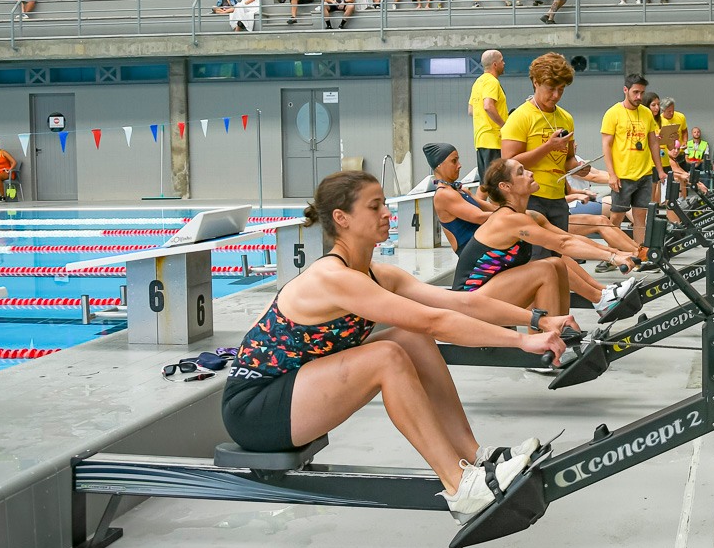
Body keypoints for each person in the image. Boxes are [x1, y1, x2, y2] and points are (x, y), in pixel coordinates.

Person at [221, 170, 571, 522]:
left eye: (385, 204)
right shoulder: (333, 278)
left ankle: (474, 456)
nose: (387, 213)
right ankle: (460, 485)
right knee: (386, 356)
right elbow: (434, 321)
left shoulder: (376, 274)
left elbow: (461, 303)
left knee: (409, 338)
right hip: (256, 411)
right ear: (341, 219)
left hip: (298, 390)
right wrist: (521, 341)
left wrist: (538, 320)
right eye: (374, 207)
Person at [453, 158, 637, 306]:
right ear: (506, 187)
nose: (530, 173)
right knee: (544, 269)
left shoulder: (530, 215)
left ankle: (566, 327)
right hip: (469, 299)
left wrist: (620, 253)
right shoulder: (509, 220)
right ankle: (595, 303)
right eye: (521, 172)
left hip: (492, 289)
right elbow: (562, 244)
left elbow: (567, 238)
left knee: (556, 262)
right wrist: (613, 259)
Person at [499, 52, 577, 259]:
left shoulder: (566, 118)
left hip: (558, 198)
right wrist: (548, 147)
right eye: (551, 89)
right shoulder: (520, 117)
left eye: (561, 90)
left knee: (559, 258)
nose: (556, 96)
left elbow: (568, 159)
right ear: (535, 82)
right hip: (531, 198)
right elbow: (508, 162)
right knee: (538, 260)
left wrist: (579, 167)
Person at [601, 73, 666, 247]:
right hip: (623, 176)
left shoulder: (646, 113)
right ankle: (611, 255)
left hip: (644, 175)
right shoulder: (613, 113)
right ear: (625, 90)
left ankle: (641, 254)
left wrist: (660, 170)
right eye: (635, 92)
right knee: (616, 217)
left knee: (640, 218)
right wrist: (612, 175)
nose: (639, 97)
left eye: (642, 93)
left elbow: (653, 143)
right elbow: (606, 146)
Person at [423, 143, 490, 253]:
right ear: (439, 165)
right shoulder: (443, 195)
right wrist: (513, 215)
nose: (459, 165)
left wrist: (519, 212)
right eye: (454, 161)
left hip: (484, 245)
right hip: (475, 255)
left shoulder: (460, 190)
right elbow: (479, 217)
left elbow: (490, 207)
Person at [468, 49, 508, 180]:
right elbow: (488, 106)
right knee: (497, 183)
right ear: (495, 64)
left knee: (486, 183)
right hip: (493, 141)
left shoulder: (478, 82)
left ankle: (478, 201)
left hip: (480, 140)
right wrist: (505, 126)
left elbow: (471, 111)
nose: (504, 63)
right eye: (502, 61)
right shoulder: (492, 82)